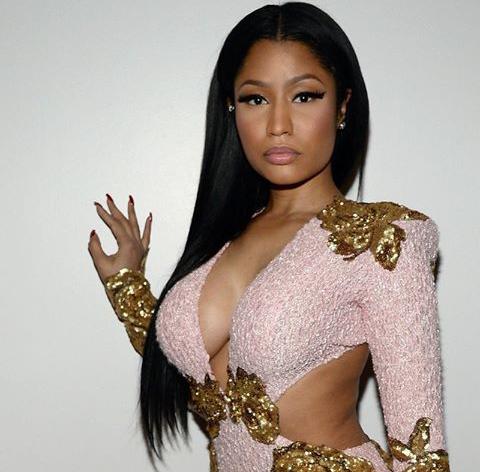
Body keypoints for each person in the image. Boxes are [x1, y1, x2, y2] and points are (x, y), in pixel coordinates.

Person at [88, 3, 450, 471]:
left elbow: (421, 451)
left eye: (305, 96)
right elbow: (196, 374)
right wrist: (127, 286)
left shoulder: (382, 242)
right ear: (231, 108)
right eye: (255, 99)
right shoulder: (223, 236)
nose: (278, 124)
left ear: (342, 106)